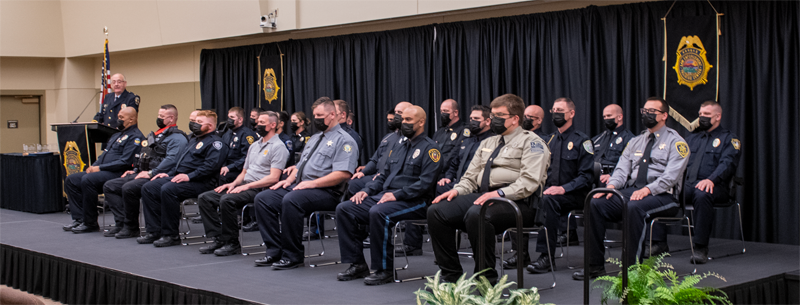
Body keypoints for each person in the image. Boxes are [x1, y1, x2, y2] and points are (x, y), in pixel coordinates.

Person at [427, 94, 550, 284]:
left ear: (515, 118)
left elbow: (529, 182)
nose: (493, 119)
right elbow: (470, 177)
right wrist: (457, 190)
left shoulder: (532, 143)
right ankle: (451, 276)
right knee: (437, 211)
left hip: (519, 202)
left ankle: (486, 279)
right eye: (492, 115)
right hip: (485, 195)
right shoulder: (488, 142)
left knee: (478, 214)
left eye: (500, 115)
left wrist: (499, 193)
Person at [575, 97, 689, 280]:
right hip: (634, 191)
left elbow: (671, 177)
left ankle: (632, 271)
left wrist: (648, 190)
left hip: (664, 196)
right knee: (595, 202)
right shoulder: (635, 141)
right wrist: (610, 187)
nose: (647, 114)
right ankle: (594, 265)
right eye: (644, 111)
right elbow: (621, 170)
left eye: (652, 112)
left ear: (664, 116)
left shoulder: (677, 143)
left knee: (635, 207)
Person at [335, 105, 441, 285]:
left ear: (421, 122)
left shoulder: (431, 150)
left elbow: (425, 184)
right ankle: (357, 264)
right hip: (386, 196)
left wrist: (397, 195)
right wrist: (365, 190)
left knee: (379, 212)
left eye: (408, 120)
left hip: (416, 201)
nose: (403, 123)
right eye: (403, 119)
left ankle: (383, 269)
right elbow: (383, 174)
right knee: (345, 209)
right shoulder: (399, 146)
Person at [252, 97, 358, 269]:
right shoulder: (315, 138)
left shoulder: (345, 140)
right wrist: (287, 181)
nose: (316, 118)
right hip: (301, 186)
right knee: (264, 198)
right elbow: (300, 165)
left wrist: (313, 184)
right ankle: (274, 251)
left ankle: (292, 255)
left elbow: (343, 173)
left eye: (320, 115)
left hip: (327, 192)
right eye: (314, 114)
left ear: (333, 114)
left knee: (291, 200)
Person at [197, 111, 289, 256]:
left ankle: (232, 243)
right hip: (245, 185)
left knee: (227, 200)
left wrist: (247, 186)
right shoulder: (254, 145)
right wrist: (233, 184)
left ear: (273, 125)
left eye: (262, 123)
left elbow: (274, 178)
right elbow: (244, 172)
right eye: (258, 122)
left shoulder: (278, 147)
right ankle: (219, 238)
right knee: (205, 198)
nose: (258, 125)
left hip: (260, 189)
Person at [138, 110, 228, 247]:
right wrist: (169, 173)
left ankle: (171, 235)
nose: (195, 125)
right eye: (195, 121)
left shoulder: (216, 144)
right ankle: (154, 231)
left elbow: (210, 167)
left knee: (168, 189)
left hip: (202, 182)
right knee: (149, 187)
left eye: (199, 122)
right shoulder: (194, 139)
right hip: (183, 177)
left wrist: (189, 176)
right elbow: (181, 163)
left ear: (210, 126)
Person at [525, 97, 593, 274]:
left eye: (560, 111)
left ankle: (546, 257)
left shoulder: (582, 141)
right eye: (553, 111)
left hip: (575, 194)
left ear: (571, 113)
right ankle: (521, 253)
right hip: (552, 193)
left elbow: (586, 177)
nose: (556, 114)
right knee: (526, 198)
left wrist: (563, 188)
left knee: (548, 200)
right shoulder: (549, 140)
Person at [102, 105, 188, 238]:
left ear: (171, 118)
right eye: (158, 116)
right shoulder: (157, 135)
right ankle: (122, 223)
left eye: (161, 117)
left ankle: (133, 227)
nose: (158, 119)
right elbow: (145, 155)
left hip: (159, 175)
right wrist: (135, 170)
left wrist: (150, 173)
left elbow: (171, 160)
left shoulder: (177, 138)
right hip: (144, 172)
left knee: (129, 188)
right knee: (110, 185)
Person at [63, 107, 144, 233]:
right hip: (103, 171)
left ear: (132, 119)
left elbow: (125, 162)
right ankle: (79, 219)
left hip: (118, 173)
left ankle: (90, 223)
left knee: (87, 180)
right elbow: (104, 155)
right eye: (118, 117)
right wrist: (93, 166)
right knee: (71, 180)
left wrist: (99, 168)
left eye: (122, 118)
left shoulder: (136, 137)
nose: (118, 120)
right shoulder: (116, 135)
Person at [680, 101, 741, 264]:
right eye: (700, 114)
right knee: (664, 192)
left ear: (717, 116)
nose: (702, 118)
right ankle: (658, 242)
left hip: (716, 187)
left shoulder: (729, 139)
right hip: (689, 184)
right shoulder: (692, 138)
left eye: (706, 115)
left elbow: (728, 164)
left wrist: (711, 179)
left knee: (702, 193)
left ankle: (700, 247)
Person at [348, 101, 411, 197]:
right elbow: (375, 159)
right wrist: (363, 172)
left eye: (400, 113)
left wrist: (384, 175)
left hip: (392, 178)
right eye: (396, 112)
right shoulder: (388, 138)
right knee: (353, 182)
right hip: (377, 175)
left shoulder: (411, 140)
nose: (396, 116)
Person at [593, 104, 635, 186]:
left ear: (620, 117)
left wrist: (612, 175)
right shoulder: (598, 138)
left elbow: (630, 164)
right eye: (604, 117)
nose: (606, 119)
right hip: (594, 175)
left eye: (609, 116)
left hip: (612, 177)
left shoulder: (629, 139)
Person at [219, 107, 257, 184]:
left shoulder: (247, 134)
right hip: (226, 166)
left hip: (239, 169)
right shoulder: (227, 134)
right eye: (229, 117)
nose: (229, 120)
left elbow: (247, 157)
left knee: (223, 177)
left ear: (240, 120)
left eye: (232, 117)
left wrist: (229, 167)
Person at [432, 99, 465, 174]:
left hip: (449, 172)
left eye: (446, 111)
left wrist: (439, 168)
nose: (443, 113)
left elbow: (455, 153)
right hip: (434, 171)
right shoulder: (439, 132)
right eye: (441, 111)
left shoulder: (463, 130)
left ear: (456, 112)